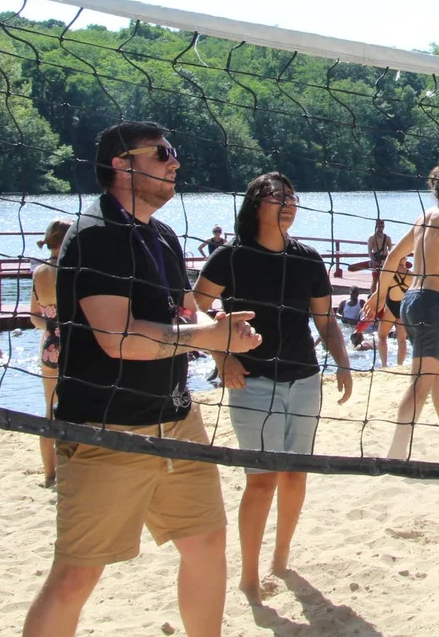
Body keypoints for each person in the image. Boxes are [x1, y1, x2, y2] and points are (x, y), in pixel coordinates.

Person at [22, 121, 262, 637]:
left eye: (174, 152)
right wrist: (208, 339)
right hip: (107, 429)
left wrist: (218, 336)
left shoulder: (163, 236)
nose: (174, 162)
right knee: (75, 577)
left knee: (205, 544)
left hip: (176, 419)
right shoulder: (97, 235)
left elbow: (177, 319)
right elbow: (120, 339)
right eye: (162, 153)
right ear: (120, 164)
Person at [194, 171, 352, 603]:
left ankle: (281, 561)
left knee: (295, 475)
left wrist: (343, 364)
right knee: (261, 480)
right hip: (252, 380)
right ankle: (248, 576)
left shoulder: (308, 258)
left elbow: (326, 321)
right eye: (276, 196)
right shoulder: (230, 257)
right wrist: (222, 355)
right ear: (255, 205)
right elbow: (194, 309)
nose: (287, 202)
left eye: (292, 195)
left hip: (303, 377)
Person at [364, 163, 439, 462]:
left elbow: (392, 256)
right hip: (431, 303)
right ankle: (395, 454)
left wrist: (379, 293)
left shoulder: (423, 218)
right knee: (420, 383)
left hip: (411, 302)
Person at [28, 218, 73, 487]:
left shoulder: (39, 273)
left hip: (50, 343)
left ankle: (49, 474)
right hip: (76, 342)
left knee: (50, 410)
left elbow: (33, 316)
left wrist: (53, 326)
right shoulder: (75, 269)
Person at [376, 259, 411, 367]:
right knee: (402, 340)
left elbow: (379, 292)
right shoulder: (412, 274)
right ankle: (400, 365)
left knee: (382, 336)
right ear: (404, 259)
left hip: (390, 306)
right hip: (403, 307)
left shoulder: (388, 273)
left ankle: (384, 364)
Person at [367, 219, 393, 291]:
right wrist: (373, 261)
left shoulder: (387, 237)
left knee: (385, 280)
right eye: (379, 226)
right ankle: (372, 295)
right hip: (376, 260)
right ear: (376, 226)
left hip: (385, 261)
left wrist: (390, 261)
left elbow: (391, 249)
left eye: (382, 226)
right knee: (375, 280)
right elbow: (369, 251)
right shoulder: (372, 237)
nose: (381, 228)